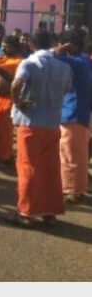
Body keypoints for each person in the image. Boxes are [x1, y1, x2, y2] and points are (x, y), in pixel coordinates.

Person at [8, 30, 72, 227]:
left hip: (31, 123)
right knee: (50, 169)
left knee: (27, 167)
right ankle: (49, 212)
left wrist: (18, 102)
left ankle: (25, 212)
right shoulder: (63, 67)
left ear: (31, 44)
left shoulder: (29, 63)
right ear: (52, 42)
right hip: (52, 122)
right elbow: (67, 88)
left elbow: (16, 84)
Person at [54, 28, 91, 203]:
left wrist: (62, 48)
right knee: (78, 154)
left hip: (72, 113)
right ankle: (77, 189)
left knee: (70, 154)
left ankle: (72, 190)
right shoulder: (84, 61)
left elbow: (52, 55)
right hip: (78, 112)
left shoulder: (75, 62)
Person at [0, 36, 23, 168]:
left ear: (15, 47)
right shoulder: (1, 59)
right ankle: (3, 155)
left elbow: (17, 82)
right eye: (2, 45)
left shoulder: (19, 62)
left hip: (9, 100)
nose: (3, 48)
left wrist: (2, 72)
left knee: (5, 130)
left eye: (6, 46)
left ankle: (3, 158)